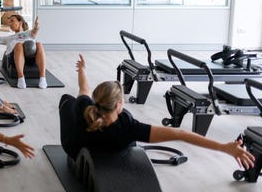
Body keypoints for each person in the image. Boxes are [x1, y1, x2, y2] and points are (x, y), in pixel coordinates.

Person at [59, 54, 255, 169]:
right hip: (113, 146)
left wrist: (82, 70)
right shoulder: (129, 127)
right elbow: (181, 134)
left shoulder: (87, 109)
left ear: (98, 100)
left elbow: (83, 90)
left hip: (73, 148)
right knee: (124, 122)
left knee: (69, 100)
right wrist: (223, 147)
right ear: (119, 103)